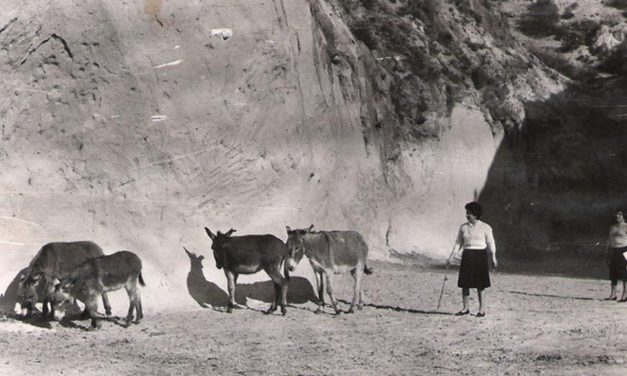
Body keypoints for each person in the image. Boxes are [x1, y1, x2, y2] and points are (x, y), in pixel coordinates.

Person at [449, 201, 497, 317]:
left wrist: (493, 257)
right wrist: (452, 255)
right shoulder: (463, 227)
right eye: (466, 213)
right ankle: (465, 308)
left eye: (469, 213)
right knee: (465, 283)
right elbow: (458, 242)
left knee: (480, 284)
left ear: (475, 214)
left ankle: (481, 310)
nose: (467, 215)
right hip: (467, 255)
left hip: (480, 255)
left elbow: (491, 243)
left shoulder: (486, 227)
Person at [606, 209, 627, 301]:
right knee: (613, 273)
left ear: (623, 216)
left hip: (624, 250)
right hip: (614, 250)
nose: (618, 216)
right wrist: (607, 254)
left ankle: (625, 295)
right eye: (617, 214)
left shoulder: (626, 226)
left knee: (624, 272)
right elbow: (610, 241)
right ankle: (613, 294)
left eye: (620, 214)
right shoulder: (612, 227)